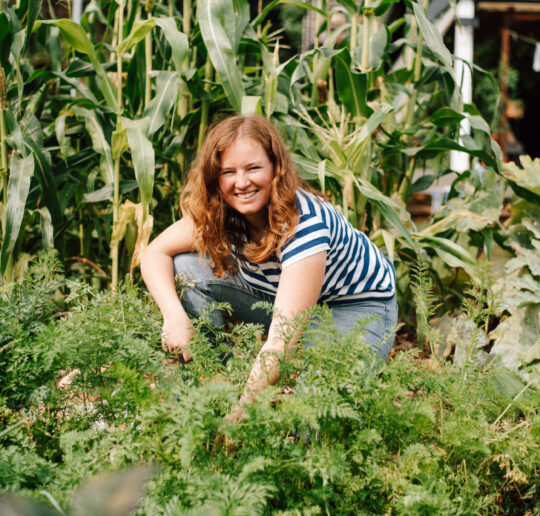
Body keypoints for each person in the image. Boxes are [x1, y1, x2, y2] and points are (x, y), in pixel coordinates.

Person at [140, 115, 397, 418]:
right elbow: (154, 252)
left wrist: (243, 414)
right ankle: (210, 396)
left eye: (253, 168)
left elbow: (281, 340)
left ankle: (245, 410)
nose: (242, 182)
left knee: (316, 412)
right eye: (228, 172)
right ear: (214, 177)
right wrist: (174, 317)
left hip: (356, 308)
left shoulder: (304, 225)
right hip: (281, 297)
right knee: (185, 268)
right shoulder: (220, 211)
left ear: (276, 168)